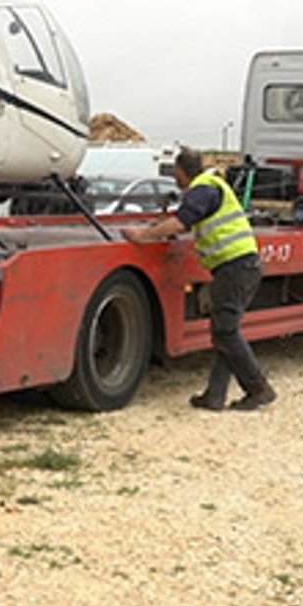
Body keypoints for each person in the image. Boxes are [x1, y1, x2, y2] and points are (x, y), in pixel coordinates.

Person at [122, 147, 276, 411]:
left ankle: (258, 388)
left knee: (226, 332)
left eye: (176, 173)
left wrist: (143, 235)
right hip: (241, 265)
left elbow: (182, 222)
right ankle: (214, 396)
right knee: (224, 331)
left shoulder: (203, 188)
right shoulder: (213, 185)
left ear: (181, 171)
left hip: (234, 266)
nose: (176, 179)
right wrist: (162, 227)